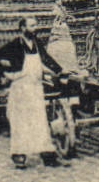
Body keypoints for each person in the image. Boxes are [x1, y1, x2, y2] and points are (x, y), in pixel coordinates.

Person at [4, 17, 66, 169]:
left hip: (36, 88)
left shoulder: (37, 44)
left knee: (40, 121)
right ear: (23, 28)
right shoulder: (15, 45)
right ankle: (19, 155)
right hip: (21, 90)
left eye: (35, 25)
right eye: (31, 26)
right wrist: (8, 75)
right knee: (21, 122)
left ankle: (47, 156)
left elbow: (46, 59)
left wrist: (60, 71)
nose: (35, 28)